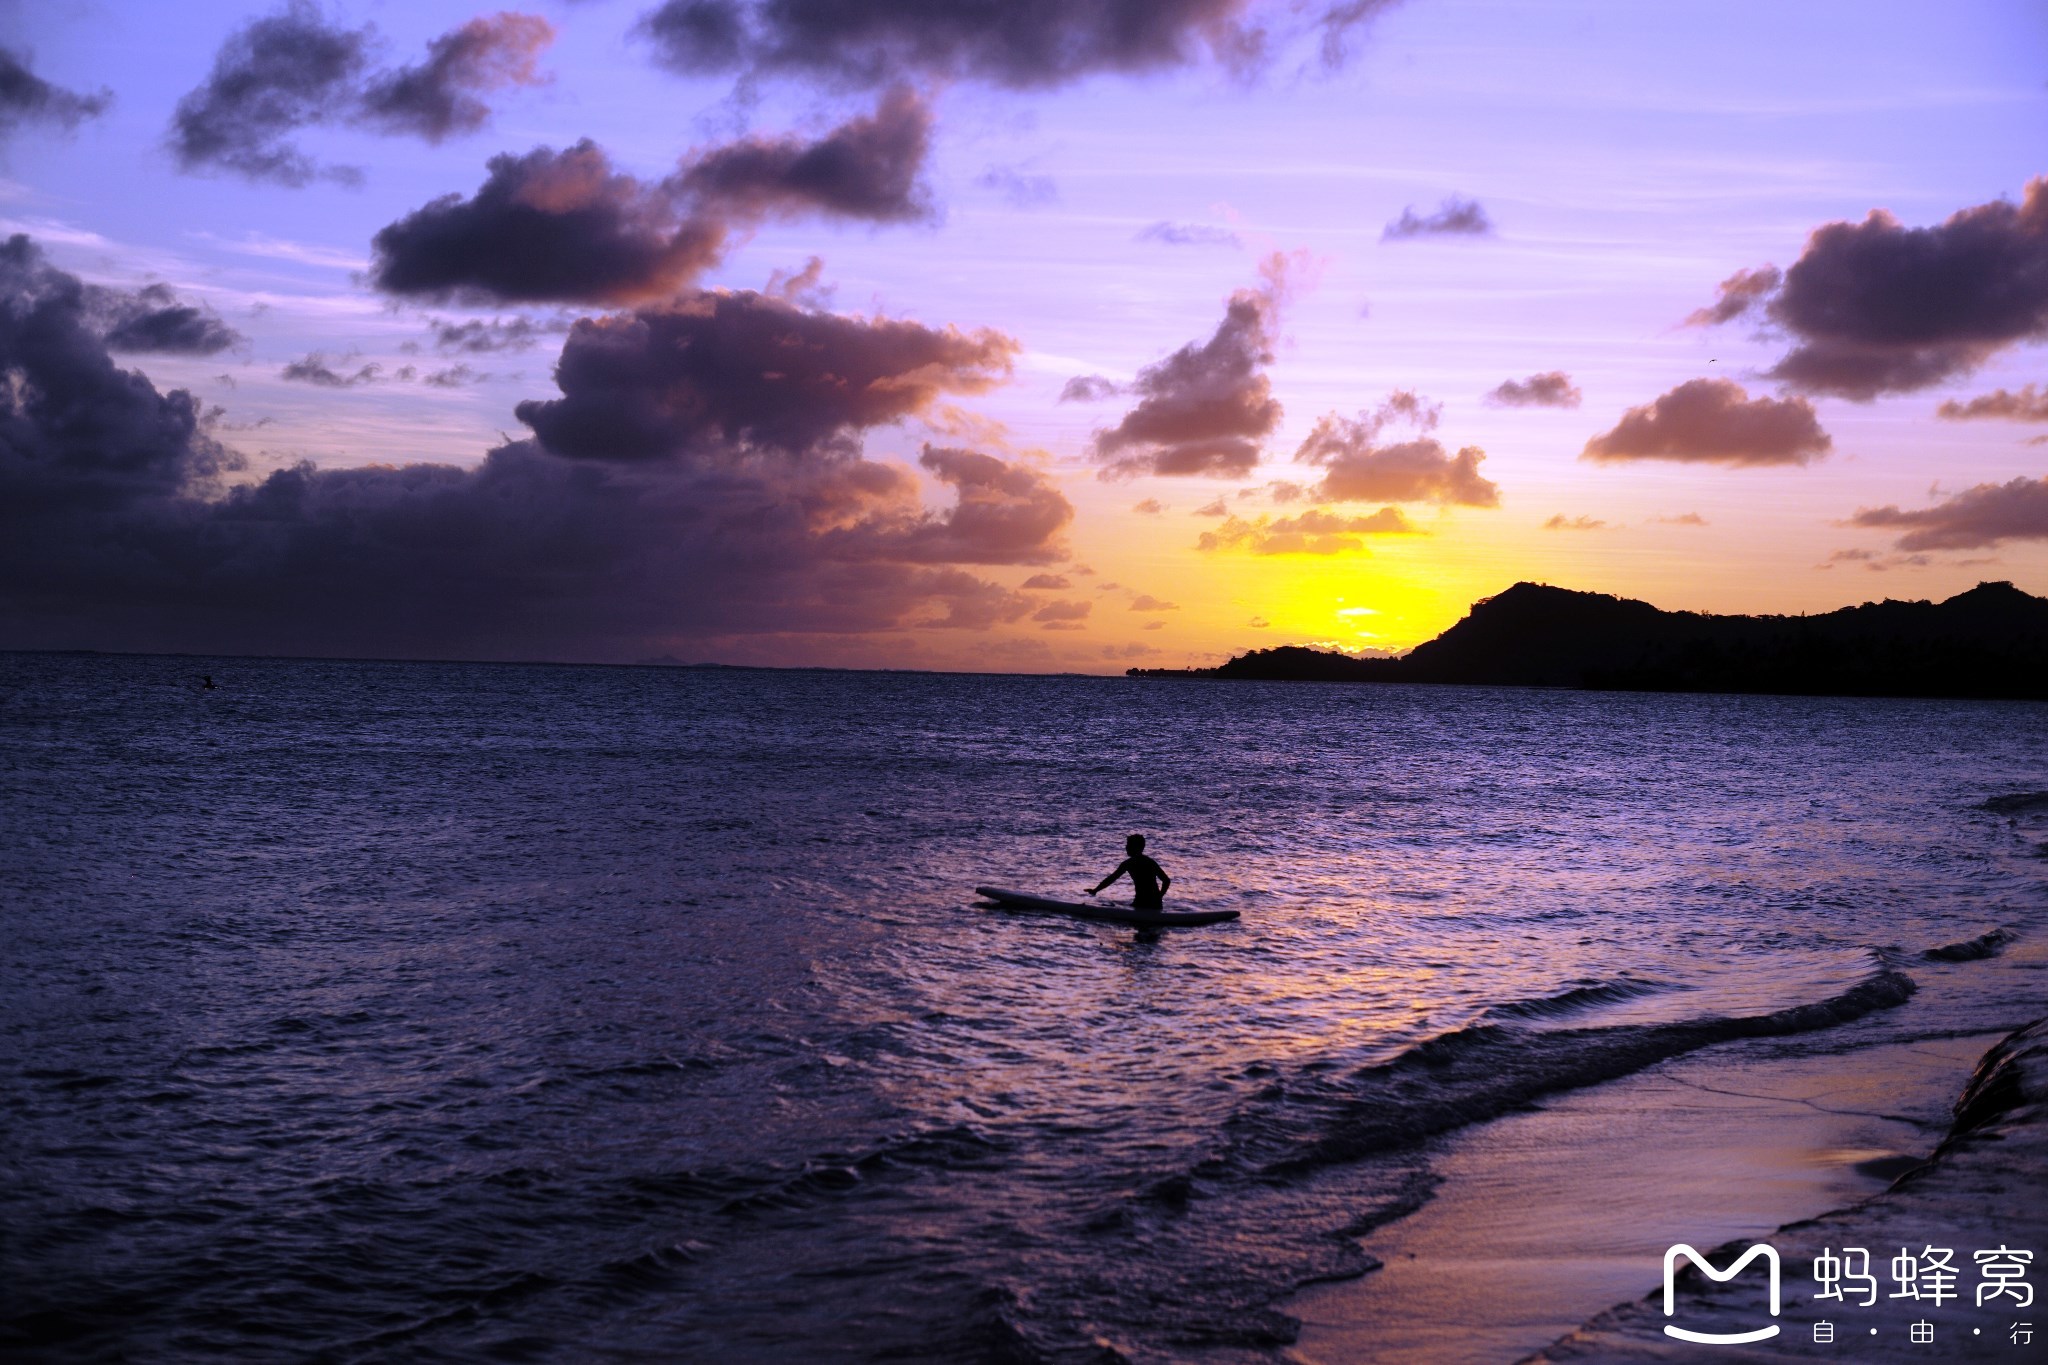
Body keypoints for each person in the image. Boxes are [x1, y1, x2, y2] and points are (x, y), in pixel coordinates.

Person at [1085, 834, 1171, 911]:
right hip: (1154, 904)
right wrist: (1159, 897)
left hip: (1142, 903)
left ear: (1136, 848)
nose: (1126, 848)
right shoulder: (1150, 861)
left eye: (1129, 845)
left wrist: (1095, 890)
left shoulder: (1129, 863)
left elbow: (1112, 878)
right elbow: (1166, 880)